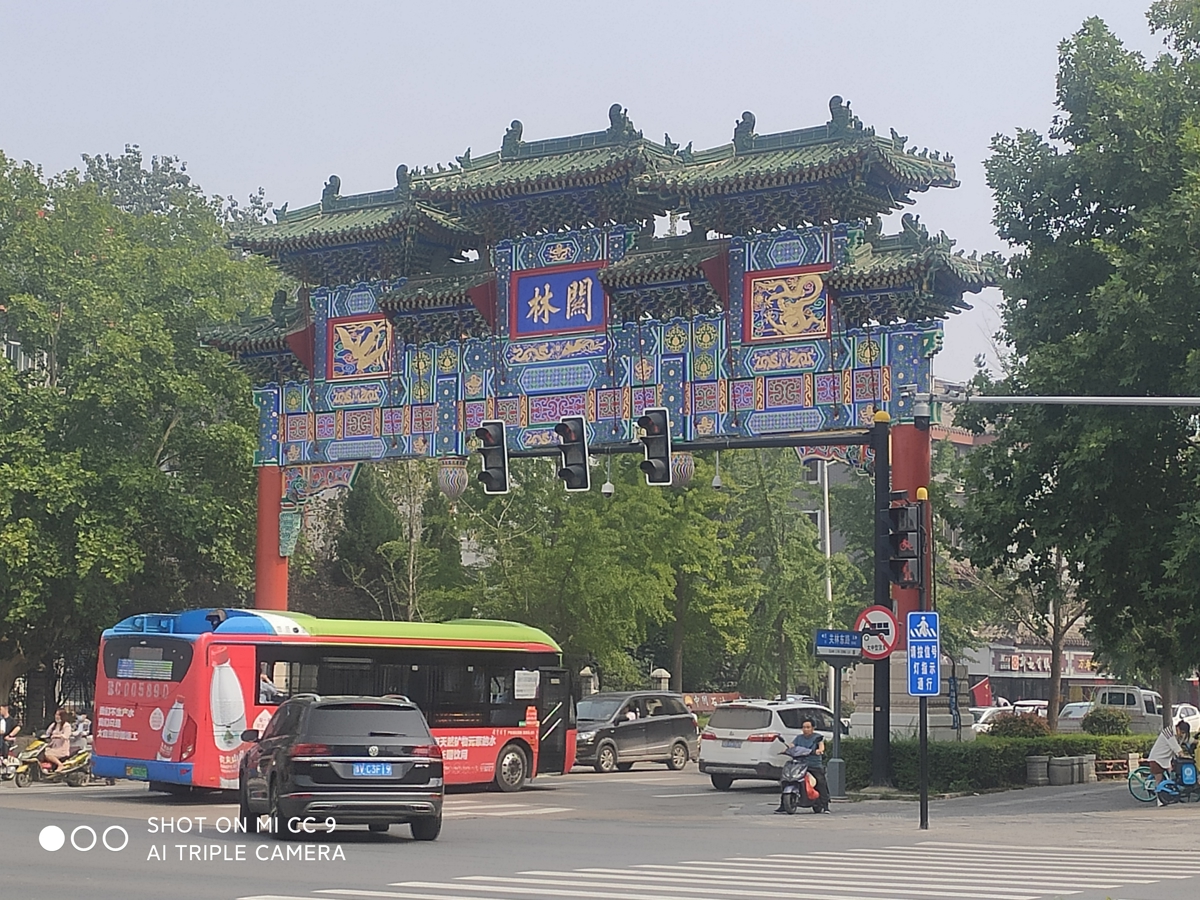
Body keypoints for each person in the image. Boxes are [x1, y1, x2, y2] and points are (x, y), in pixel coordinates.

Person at [778, 717, 830, 812]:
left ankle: (825, 805)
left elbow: (821, 746)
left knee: (820, 782)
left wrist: (819, 751)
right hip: (799, 765)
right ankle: (783, 805)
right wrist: (786, 749)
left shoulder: (817, 737)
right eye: (804, 727)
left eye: (808, 727)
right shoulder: (799, 738)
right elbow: (792, 745)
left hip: (813, 765)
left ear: (813, 728)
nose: (805, 729)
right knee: (786, 780)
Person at [42, 708, 73, 773]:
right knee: (41, 752)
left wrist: (57, 736)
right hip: (53, 746)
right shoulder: (54, 725)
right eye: (56, 714)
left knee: (47, 754)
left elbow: (66, 736)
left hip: (62, 748)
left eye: (58, 715)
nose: (56, 716)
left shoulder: (66, 725)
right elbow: (47, 733)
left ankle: (60, 765)